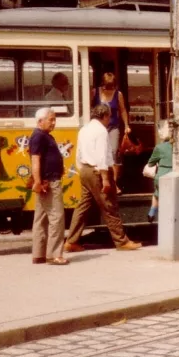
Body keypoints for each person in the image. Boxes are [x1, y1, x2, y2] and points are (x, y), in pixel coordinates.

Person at [64, 104, 142, 252]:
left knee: (82, 207)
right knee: (109, 206)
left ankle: (71, 241)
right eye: (109, 116)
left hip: (85, 170)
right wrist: (106, 178)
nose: (110, 119)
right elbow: (101, 156)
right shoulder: (101, 131)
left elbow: (79, 153)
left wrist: (83, 169)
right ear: (105, 116)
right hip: (97, 172)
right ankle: (121, 241)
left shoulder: (84, 129)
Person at [30, 107, 67, 265]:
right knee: (56, 217)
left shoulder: (43, 136)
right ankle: (54, 255)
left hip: (46, 181)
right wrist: (38, 182)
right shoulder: (39, 137)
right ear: (40, 121)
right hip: (49, 182)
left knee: (41, 218)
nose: (53, 122)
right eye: (50, 119)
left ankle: (39, 254)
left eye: (54, 119)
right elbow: (35, 160)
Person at [93, 71, 130, 193]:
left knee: (114, 152)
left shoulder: (118, 94)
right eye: (107, 87)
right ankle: (102, 181)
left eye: (111, 87)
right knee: (101, 152)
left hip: (113, 127)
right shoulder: (95, 92)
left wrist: (126, 125)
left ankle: (114, 183)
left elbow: (123, 110)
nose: (109, 90)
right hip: (99, 127)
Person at [145, 120, 173, 223]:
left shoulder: (159, 147)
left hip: (162, 176)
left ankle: (152, 213)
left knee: (157, 193)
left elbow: (150, 163)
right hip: (175, 175)